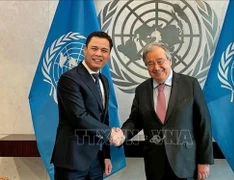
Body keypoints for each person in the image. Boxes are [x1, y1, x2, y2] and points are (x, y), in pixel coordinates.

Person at [121, 42, 214, 180]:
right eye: (150, 63)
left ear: (170, 60)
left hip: (186, 163)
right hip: (155, 164)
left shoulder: (190, 84)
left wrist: (204, 161)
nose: (156, 67)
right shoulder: (141, 90)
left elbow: (203, 123)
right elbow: (135, 120)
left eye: (160, 61)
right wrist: (122, 134)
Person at [51, 31, 124, 180]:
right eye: (94, 48)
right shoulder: (70, 79)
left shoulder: (104, 80)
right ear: (85, 50)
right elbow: (79, 116)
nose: (98, 54)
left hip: (96, 161)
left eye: (104, 50)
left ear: (109, 54)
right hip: (72, 161)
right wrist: (111, 133)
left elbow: (104, 119)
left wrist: (106, 155)